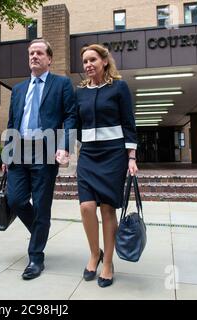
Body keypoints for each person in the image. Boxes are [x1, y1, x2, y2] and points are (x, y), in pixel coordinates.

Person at [2, 39, 76, 280]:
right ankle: (40, 228)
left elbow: (70, 117)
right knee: (15, 200)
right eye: (31, 53)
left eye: (39, 53)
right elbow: (12, 122)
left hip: (46, 150)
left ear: (49, 58)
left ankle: (36, 257)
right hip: (20, 150)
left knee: (42, 204)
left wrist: (65, 147)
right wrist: (6, 152)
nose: (34, 56)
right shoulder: (19, 89)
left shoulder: (62, 84)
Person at [75, 44, 137, 288]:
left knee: (107, 210)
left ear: (104, 61)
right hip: (89, 155)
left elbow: (129, 121)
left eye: (92, 60)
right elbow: (76, 123)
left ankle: (108, 263)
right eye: (84, 62)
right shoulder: (79, 92)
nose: (88, 65)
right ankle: (94, 253)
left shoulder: (119, 87)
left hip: (113, 155)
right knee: (86, 207)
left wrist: (131, 156)